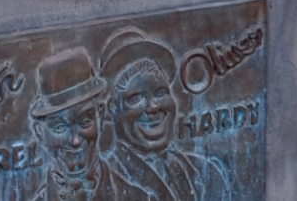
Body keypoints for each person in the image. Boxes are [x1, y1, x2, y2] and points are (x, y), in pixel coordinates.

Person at [101, 29, 230, 201]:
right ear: (113, 109)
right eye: (136, 99)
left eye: (160, 93)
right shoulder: (105, 183)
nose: (153, 107)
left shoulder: (209, 174)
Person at [28, 48, 147, 201]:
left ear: (100, 118)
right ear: (39, 133)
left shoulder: (137, 197)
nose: (75, 140)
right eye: (60, 127)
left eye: (84, 122)